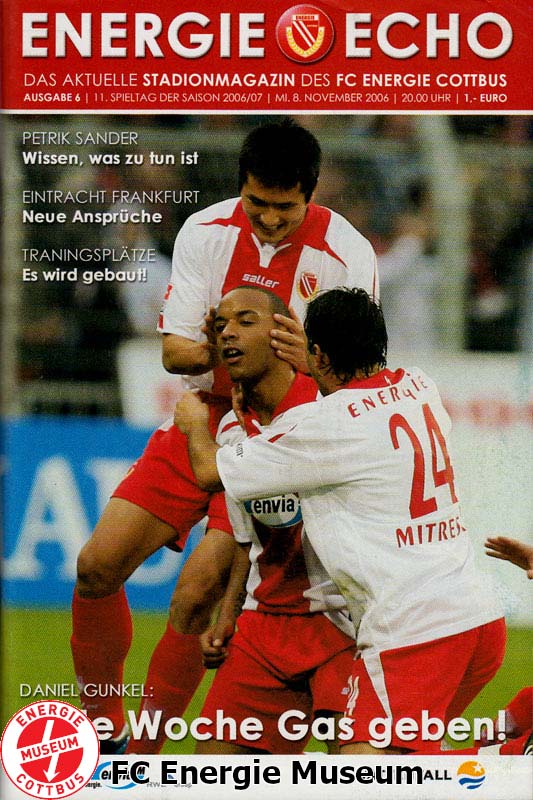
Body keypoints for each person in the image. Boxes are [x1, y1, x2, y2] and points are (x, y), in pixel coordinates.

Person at [71, 119, 378, 754]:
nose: (269, 219)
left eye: (285, 208)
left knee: (196, 596)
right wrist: (249, 346)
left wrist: (279, 358)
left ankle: (140, 759)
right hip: (202, 417)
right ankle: (104, 730)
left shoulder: (347, 254)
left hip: (285, 438)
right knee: (96, 567)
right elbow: (175, 351)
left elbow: (352, 375)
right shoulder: (205, 231)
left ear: (311, 194)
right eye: (257, 203)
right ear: (241, 187)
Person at [174, 286, 506, 755]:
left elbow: (211, 472)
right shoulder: (419, 385)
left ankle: (511, 758)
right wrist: (319, 363)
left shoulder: (322, 428)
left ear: (319, 355)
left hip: (413, 630)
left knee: (361, 774)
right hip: (477, 617)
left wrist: (193, 424)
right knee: (407, 767)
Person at [171, 285, 357, 754]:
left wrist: (193, 427)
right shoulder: (233, 426)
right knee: (208, 773)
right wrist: (228, 616)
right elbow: (246, 539)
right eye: (220, 326)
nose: (227, 334)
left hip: (344, 625)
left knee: (358, 775)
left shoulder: (325, 410)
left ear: (282, 333)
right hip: (266, 628)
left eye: (245, 321)